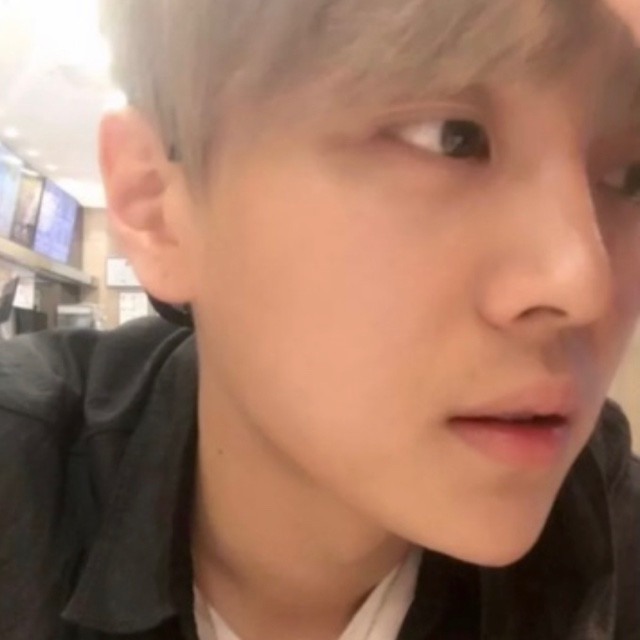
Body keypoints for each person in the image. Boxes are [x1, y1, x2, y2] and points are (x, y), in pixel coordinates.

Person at [1, 0, 640, 638]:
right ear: (157, 205)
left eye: (629, 176)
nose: (586, 285)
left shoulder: (607, 525)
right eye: (452, 137)